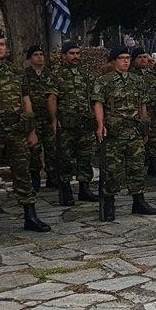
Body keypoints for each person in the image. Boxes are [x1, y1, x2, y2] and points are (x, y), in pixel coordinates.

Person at [0, 29, 51, 240]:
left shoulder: (16, 72)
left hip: (16, 130)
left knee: (23, 173)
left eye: (2, 44)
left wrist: (31, 130)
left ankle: (30, 216)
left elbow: (26, 102)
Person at [92, 46, 156, 221]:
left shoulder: (137, 80)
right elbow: (98, 103)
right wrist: (100, 125)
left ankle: (139, 201)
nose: (125, 61)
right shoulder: (104, 81)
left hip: (134, 130)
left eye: (128, 58)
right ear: (114, 61)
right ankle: (109, 203)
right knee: (112, 169)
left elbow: (142, 104)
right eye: (122, 58)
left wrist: (144, 127)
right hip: (114, 131)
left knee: (136, 167)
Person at [53, 41, 99, 206]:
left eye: (78, 53)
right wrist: (54, 119)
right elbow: (52, 99)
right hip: (66, 124)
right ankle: (65, 190)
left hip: (85, 123)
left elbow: (93, 98)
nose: (75, 57)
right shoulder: (57, 75)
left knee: (86, 156)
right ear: (63, 56)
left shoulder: (86, 75)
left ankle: (84, 188)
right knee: (65, 158)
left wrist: (95, 118)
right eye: (71, 54)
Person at [24, 45, 58, 191]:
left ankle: (52, 177)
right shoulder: (25, 76)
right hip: (33, 118)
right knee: (34, 150)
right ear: (30, 58)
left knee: (51, 148)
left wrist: (54, 118)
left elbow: (54, 97)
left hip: (48, 117)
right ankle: (35, 179)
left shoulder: (50, 75)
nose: (39, 57)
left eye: (41, 54)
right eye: (36, 55)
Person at [130, 49, 156, 178]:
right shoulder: (130, 75)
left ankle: (153, 165)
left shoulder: (152, 74)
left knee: (155, 139)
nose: (143, 60)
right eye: (140, 57)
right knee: (139, 140)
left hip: (154, 112)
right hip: (137, 114)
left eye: (145, 57)